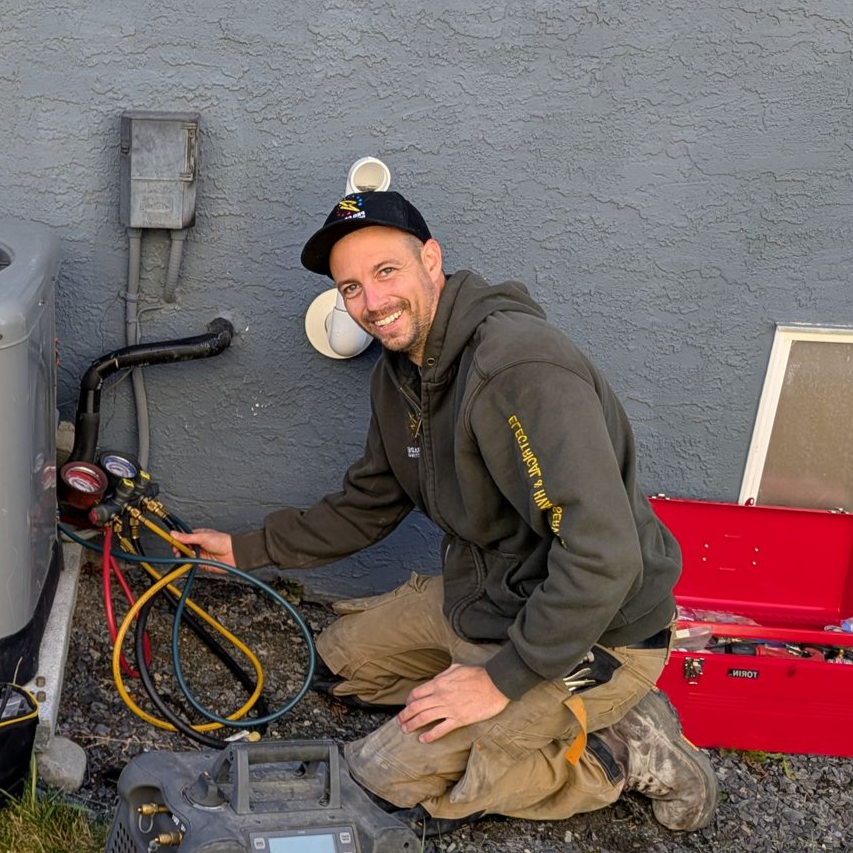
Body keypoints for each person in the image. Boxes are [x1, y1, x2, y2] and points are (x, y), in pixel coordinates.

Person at [172, 190, 717, 835]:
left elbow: (603, 554)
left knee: (387, 775)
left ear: (431, 259)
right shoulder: (402, 372)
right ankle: (550, 702)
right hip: (489, 596)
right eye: (350, 287)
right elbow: (371, 500)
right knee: (345, 660)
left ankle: (623, 753)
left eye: (385, 272)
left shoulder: (520, 369)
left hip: (601, 628)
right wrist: (247, 549)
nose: (371, 303)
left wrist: (500, 680)